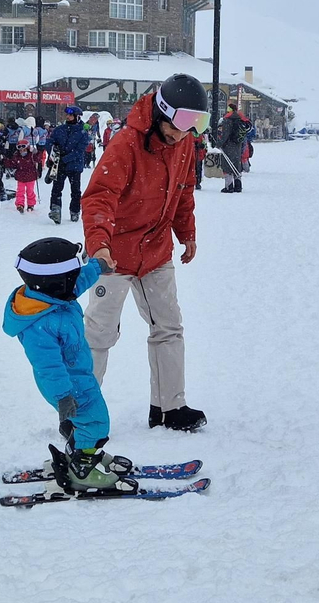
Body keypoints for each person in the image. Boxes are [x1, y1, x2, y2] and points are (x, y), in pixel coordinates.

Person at [81, 73, 207, 433]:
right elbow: (99, 197)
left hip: (156, 251)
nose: (187, 133)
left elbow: (184, 191)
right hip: (114, 254)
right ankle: (82, 415)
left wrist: (188, 234)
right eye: (182, 122)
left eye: (196, 124)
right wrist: (100, 244)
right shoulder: (126, 144)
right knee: (99, 333)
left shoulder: (182, 145)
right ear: (162, 112)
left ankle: (169, 408)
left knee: (168, 327)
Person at [3, 237, 135, 494]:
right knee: (96, 421)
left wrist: (98, 266)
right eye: (72, 276)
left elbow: (79, 280)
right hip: (67, 385)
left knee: (86, 420)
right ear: (57, 281)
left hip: (79, 376)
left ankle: (86, 451)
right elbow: (48, 368)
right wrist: (63, 396)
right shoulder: (39, 324)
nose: (77, 280)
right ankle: (83, 467)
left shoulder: (52, 294)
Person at [46, 106, 90, 224]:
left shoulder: (82, 132)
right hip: (59, 165)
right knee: (56, 188)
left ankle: (74, 211)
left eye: (71, 115)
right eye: (67, 115)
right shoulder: (60, 129)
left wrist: (65, 159)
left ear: (77, 117)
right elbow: (50, 141)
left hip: (74, 165)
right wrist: (52, 153)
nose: (68, 117)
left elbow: (79, 150)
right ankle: (55, 209)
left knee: (75, 190)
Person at [218, 102, 249, 193]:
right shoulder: (239, 119)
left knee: (227, 165)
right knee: (236, 164)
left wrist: (219, 143)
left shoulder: (227, 120)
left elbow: (225, 135)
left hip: (228, 146)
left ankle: (229, 186)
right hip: (237, 145)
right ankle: (238, 186)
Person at [7, 139, 41, 213]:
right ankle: (20, 204)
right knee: (20, 191)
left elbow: (38, 159)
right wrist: (4, 161)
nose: (22, 151)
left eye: (24, 149)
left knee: (30, 191)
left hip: (30, 176)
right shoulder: (17, 156)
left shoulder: (31, 155)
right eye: (20, 149)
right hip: (21, 177)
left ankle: (31, 204)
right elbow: (13, 163)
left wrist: (36, 152)